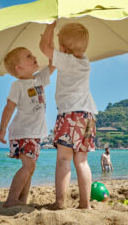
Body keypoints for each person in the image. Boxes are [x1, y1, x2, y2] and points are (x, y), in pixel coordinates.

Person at [40, 21, 97, 209]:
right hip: (87, 116)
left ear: (63, 49)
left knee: (64, 159)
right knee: (82, 161)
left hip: (69, 115)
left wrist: (50, 27)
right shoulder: (85, 62)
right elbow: (53, 52)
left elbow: (44, 47)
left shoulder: (66, 60)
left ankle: (60, 202)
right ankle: (85, 204)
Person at [0, 47, 54, 207]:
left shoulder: (39, 79)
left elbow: (53, 64)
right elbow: (9, 107)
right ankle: (11, 200)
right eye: (28, 56)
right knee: (28, 166)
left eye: (32, 55)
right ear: (19, 67)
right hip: (23, 132)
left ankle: (21, 200)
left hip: (35, 134)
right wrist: (2, 128)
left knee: (31, 167)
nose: (34, 57)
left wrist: (51, 47)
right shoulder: (18, 85)